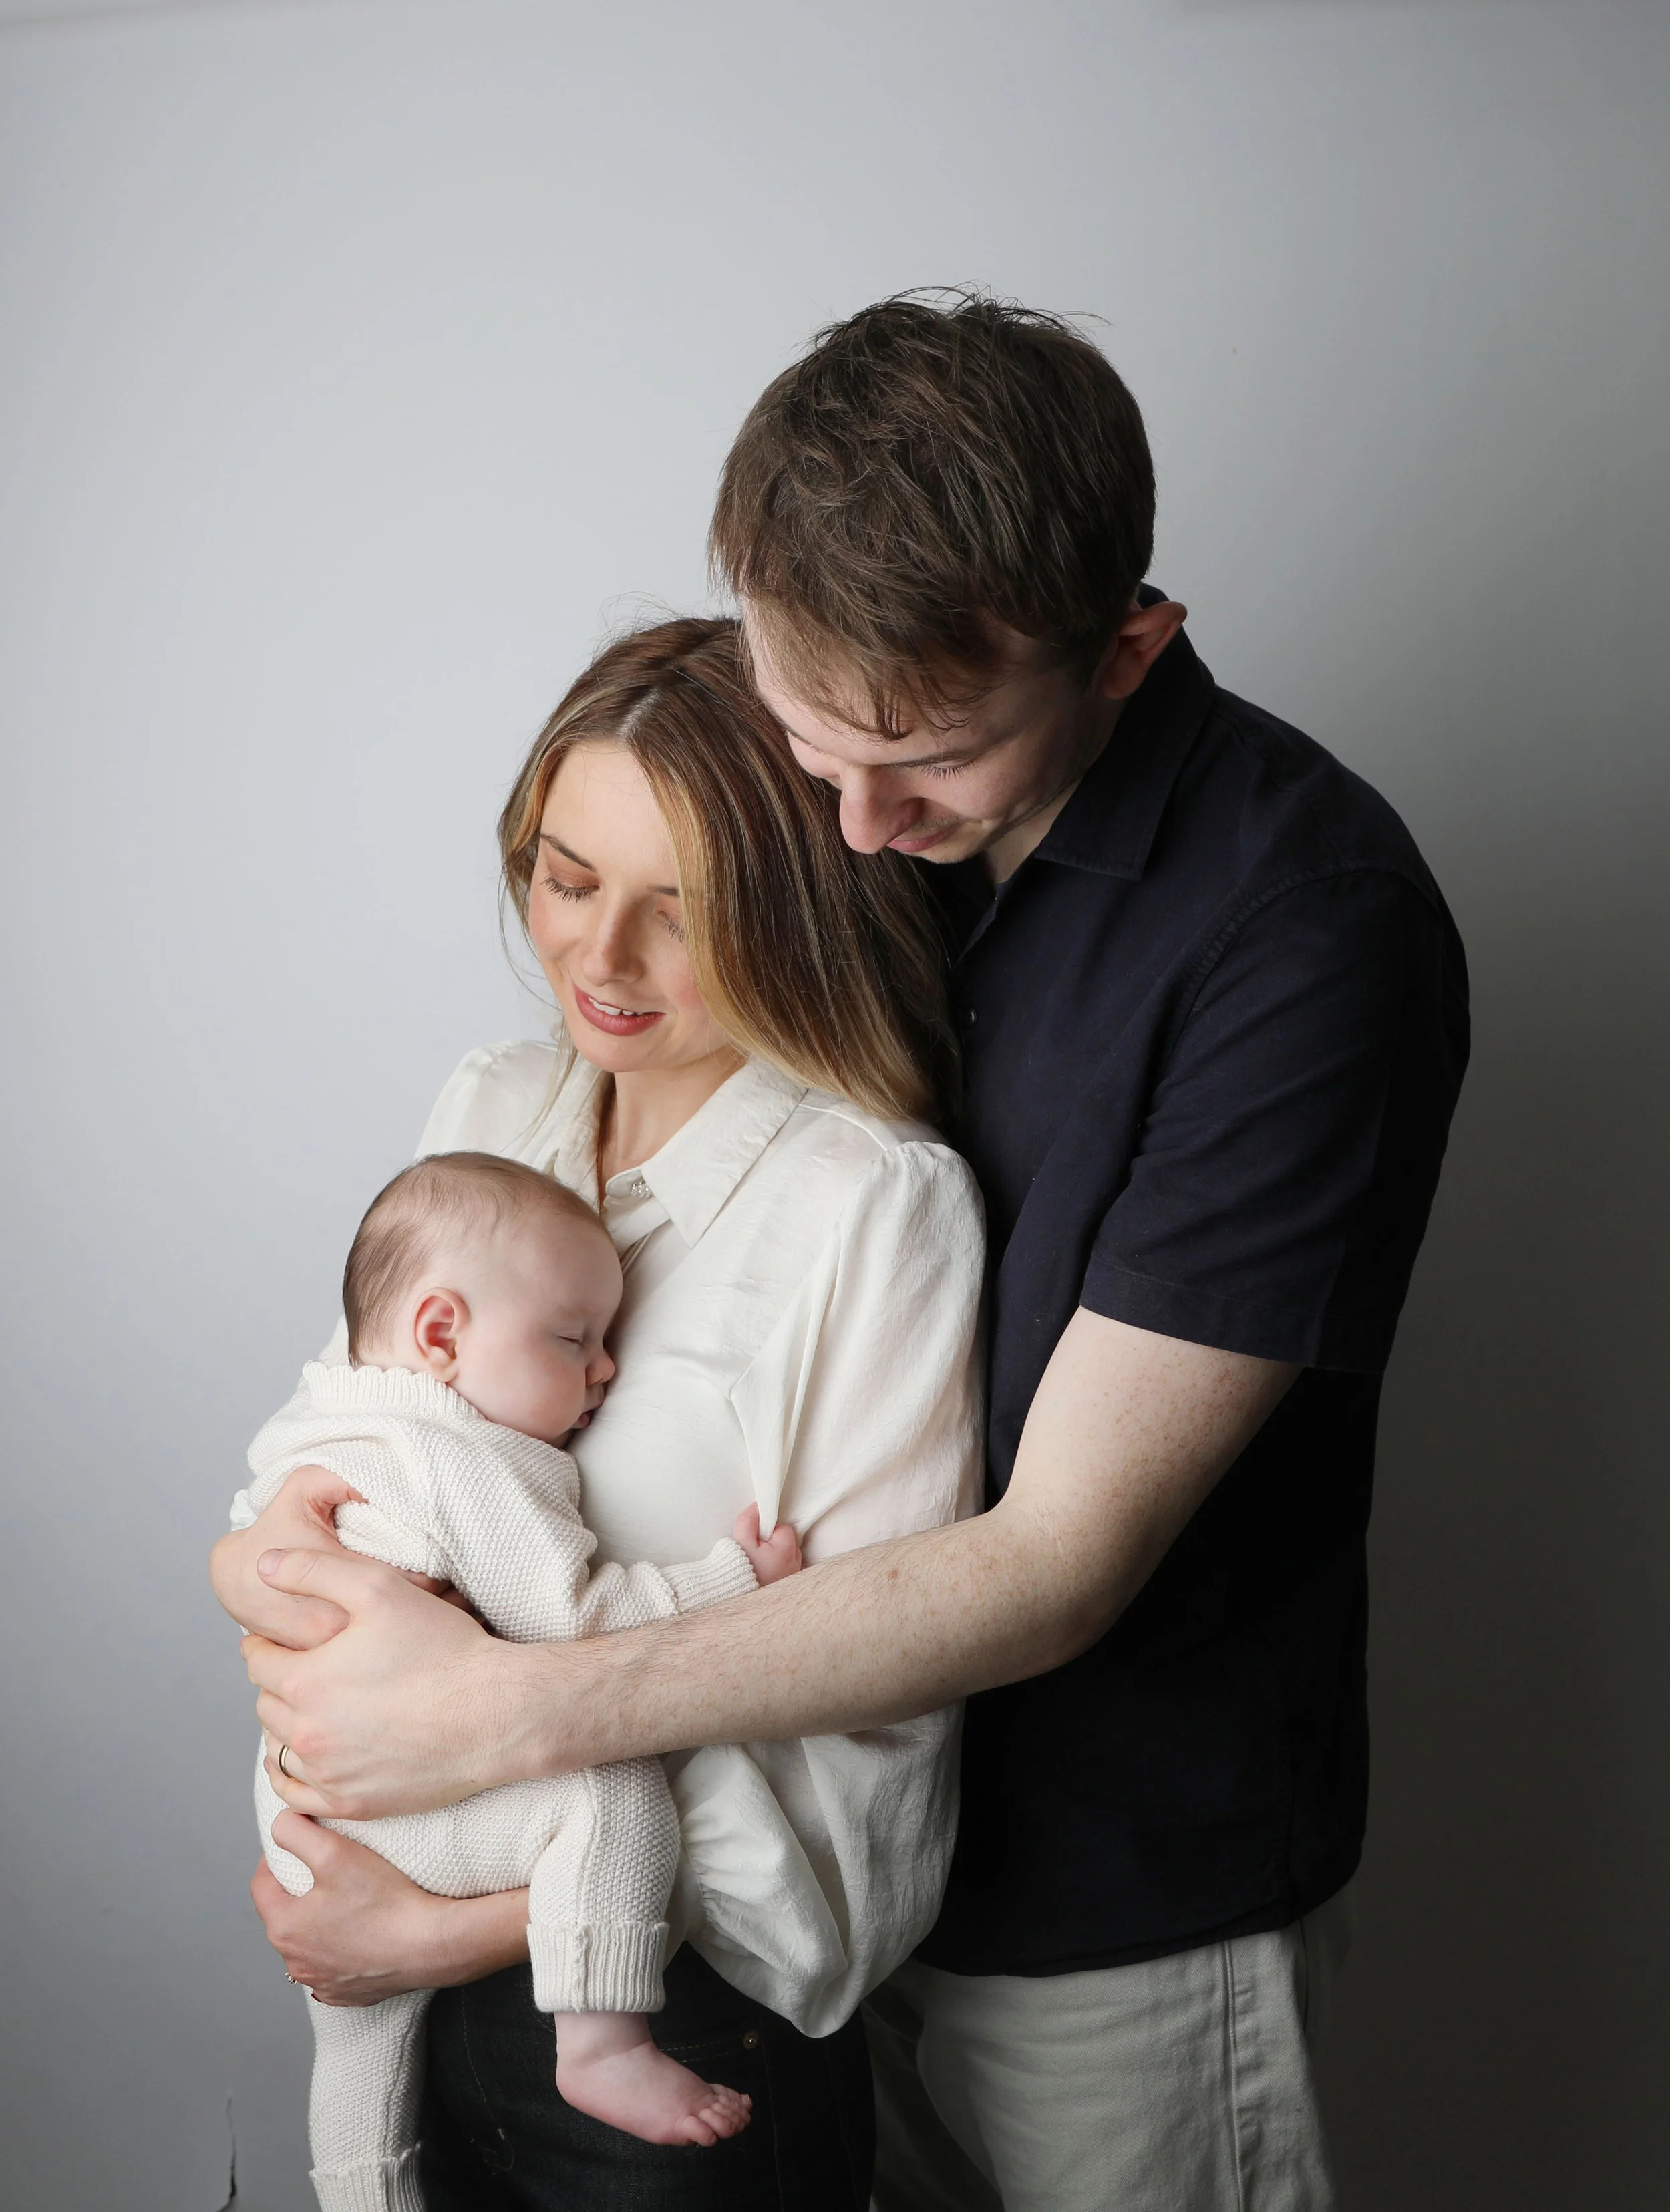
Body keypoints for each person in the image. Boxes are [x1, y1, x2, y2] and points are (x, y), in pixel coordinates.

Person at [219, 296, 1470, 2212]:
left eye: (933, 766)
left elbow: (1054, 1558)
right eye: (813, 756)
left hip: (1104, 1903)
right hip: (754, 1901)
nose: (861, 836)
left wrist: (495, 1726)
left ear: (1129, 644)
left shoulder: (1297, 933)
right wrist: (280, 1553)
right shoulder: (818, 860)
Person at [224, 616, 985, 2210]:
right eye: (566, 880)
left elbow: (865, 1807)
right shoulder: (493, 1105)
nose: (600, 958)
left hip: (688, 2051)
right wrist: (259, 1578)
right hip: (418, 2024)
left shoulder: (873, 1207)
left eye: (679, 910)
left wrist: (434, 1923)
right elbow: (356, 1451)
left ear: (797, 908)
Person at [246, 1152, 806, 2207]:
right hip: (398, 1807)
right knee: (609, 1787)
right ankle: (599, 2041)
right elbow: (576, 1617)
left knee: (357, 2062)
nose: (603, 1370)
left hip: (303, 1801)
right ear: (442, 1334)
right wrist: (737, 1577)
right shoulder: (457, 1457)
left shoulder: (321, 1416)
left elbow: (253, 1550)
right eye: (573, 1339)